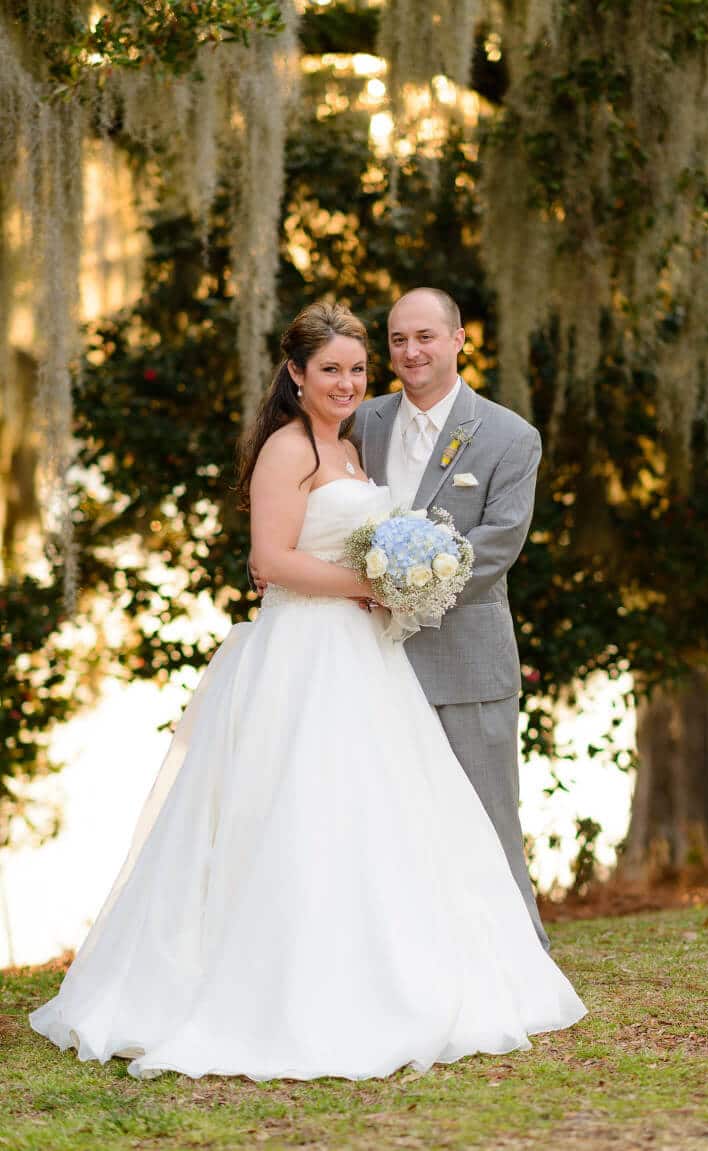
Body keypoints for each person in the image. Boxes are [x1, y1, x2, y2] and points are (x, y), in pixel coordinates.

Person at [30, 302, 584, 1081]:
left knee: (381, 810)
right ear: (296, 374)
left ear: (456, 339)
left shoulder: (355, 444)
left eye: (358, 368)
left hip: (367, 653)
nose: (350, 379)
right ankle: (283, 983)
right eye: (333, 368)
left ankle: (408, 963)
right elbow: (271, 560)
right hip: (307, 649)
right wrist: (372, 586)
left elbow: (467, 538)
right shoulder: (290, 447)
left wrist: (393, 585)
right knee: (296, 806)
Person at [349, 287, 550, 950]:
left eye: (425, 337)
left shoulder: (509, 435)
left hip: (467, 657)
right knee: (384, 818)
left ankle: (524, 955)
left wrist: (403, 588)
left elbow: (498, 543)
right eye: (399, 339)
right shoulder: (363, 422)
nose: (410, 351)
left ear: (459, 339)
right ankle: (412, 955)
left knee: (489, 813)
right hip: (368, 658)